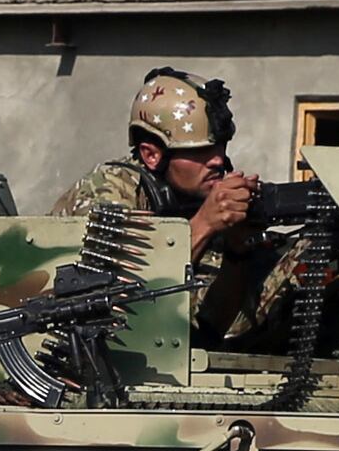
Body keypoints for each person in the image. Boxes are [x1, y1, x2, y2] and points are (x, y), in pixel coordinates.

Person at [60, 68, 301, 347]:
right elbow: (127, 301)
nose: (217, 161)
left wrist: (237, 251)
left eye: (220, 148)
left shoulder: (192, 199)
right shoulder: (110, 190)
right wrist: (204, 224)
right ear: (151, 154)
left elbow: (211, 328)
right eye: (200, 150)